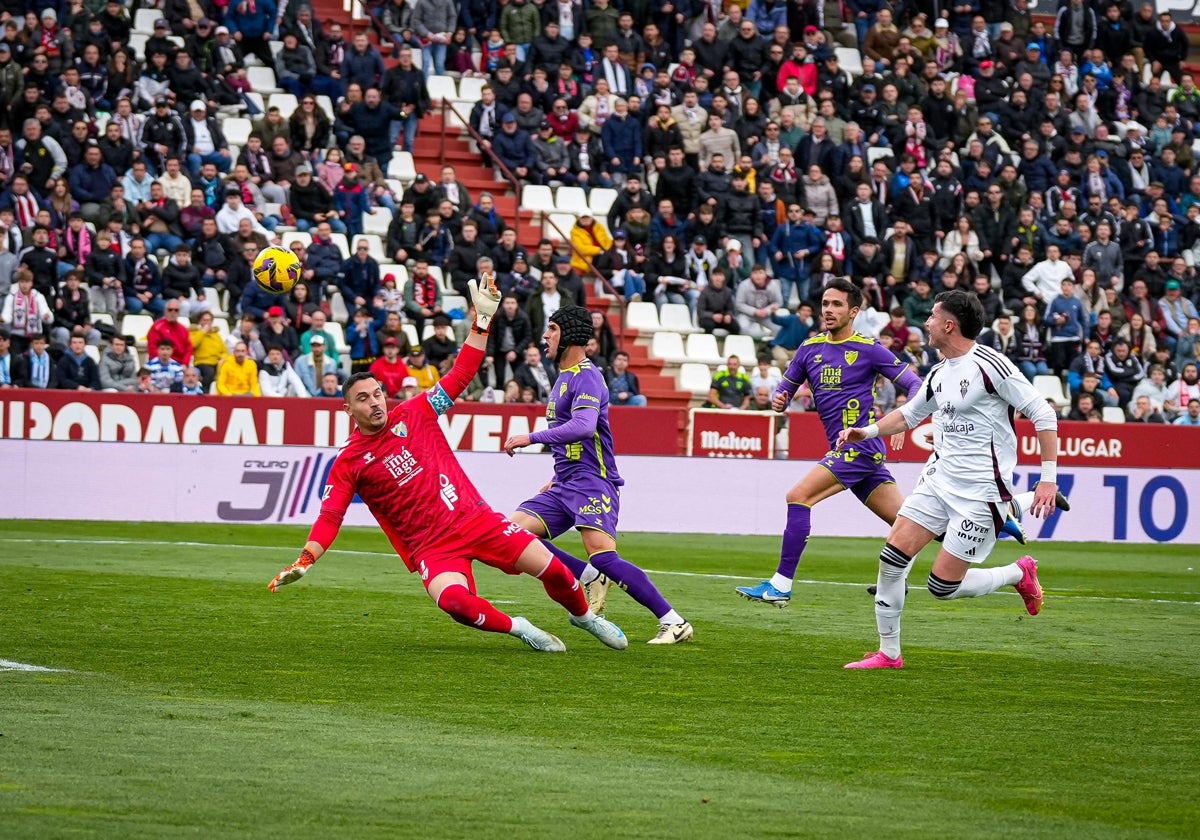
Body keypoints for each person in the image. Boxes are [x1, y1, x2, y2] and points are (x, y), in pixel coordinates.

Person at [268, 279, 627, 654]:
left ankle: (585, 617)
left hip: (475, 519)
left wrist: (482, 320)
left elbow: (461, 374)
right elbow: (331, 516)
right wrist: (306, 559)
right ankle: (521, 628)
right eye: (363, 399)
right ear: (348, 410)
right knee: (453, 602)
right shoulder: (348, 461)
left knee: (553, 569)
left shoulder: (416, 411)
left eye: (377, 394)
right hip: (432, 547)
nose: (375, 403)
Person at [836, 290, 1061, 669]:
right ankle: (889, 654)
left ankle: (1017, 572)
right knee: (892, 559)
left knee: (943, 588)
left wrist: (1048, 479)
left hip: (980, 493)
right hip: (938, 482)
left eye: (932, 316)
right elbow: (910, 414)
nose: (926, 323)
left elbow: (1044, 414)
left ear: (949, 324)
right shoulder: (940, 371)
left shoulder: (993, 366)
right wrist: (868, 431)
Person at [502, 305, 692, 644]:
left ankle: (673, 621)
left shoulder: (588, 376)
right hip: (564, 482)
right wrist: (557, 472)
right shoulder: (562, 377)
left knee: (604, 556)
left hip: (592, 482)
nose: (545, 336)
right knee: (513, 534)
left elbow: (584, 427)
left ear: (570, 335)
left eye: (552, 329)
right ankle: (588, 576)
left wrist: (530, 437)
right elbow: (568, 435)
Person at [736, 280, 925, 605]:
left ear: (854, 311)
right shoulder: (809, 349)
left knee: (798, 496)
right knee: (909, 520)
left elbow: (915, 384)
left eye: (837, 304)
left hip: (859, 448)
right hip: (850, 452)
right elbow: (784, 389)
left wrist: (901, 421)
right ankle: (993, 520)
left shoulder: (869, 348)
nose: (828, 310)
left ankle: (780, 585)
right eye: (825, 303)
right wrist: (779, 400)